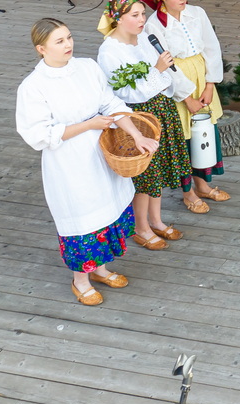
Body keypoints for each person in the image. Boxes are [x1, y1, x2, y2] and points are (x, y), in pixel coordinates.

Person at [16, 18, 158, 305]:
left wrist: (136, 135)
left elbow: (112, 105)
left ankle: (101, 270)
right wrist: (89, 125)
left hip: (102, 152)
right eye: (59, 41)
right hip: (69, 163)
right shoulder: (33, 87)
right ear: (41, 49)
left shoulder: (87, 68)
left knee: (109, 211)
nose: (68, 44)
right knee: (84, 220)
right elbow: (38, 135)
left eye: (68, 37)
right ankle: (80, 281)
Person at [97, 0, 195, 251]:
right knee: (146, 175)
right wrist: (157, 71)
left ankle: (156, 221)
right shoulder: (109, 51)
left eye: (142, 14)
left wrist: (159, 74)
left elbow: (162, 82)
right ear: (117, 19)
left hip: (161, 110)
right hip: (137, 119)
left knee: (158, 169)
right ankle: (141, 227)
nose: (142, 20)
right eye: (135, 15)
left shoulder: (145, 40)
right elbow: (128, 93)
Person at [142, 0, 230, 213]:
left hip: (201, 75)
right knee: (185, 137)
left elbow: (212, 47)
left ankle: (203, 184)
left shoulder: (197, 13)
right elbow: (166, 65)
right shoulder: (154, 25)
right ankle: (188, 192)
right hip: (178, 81)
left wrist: (210, 84)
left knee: (205, 132)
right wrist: (186, 97)